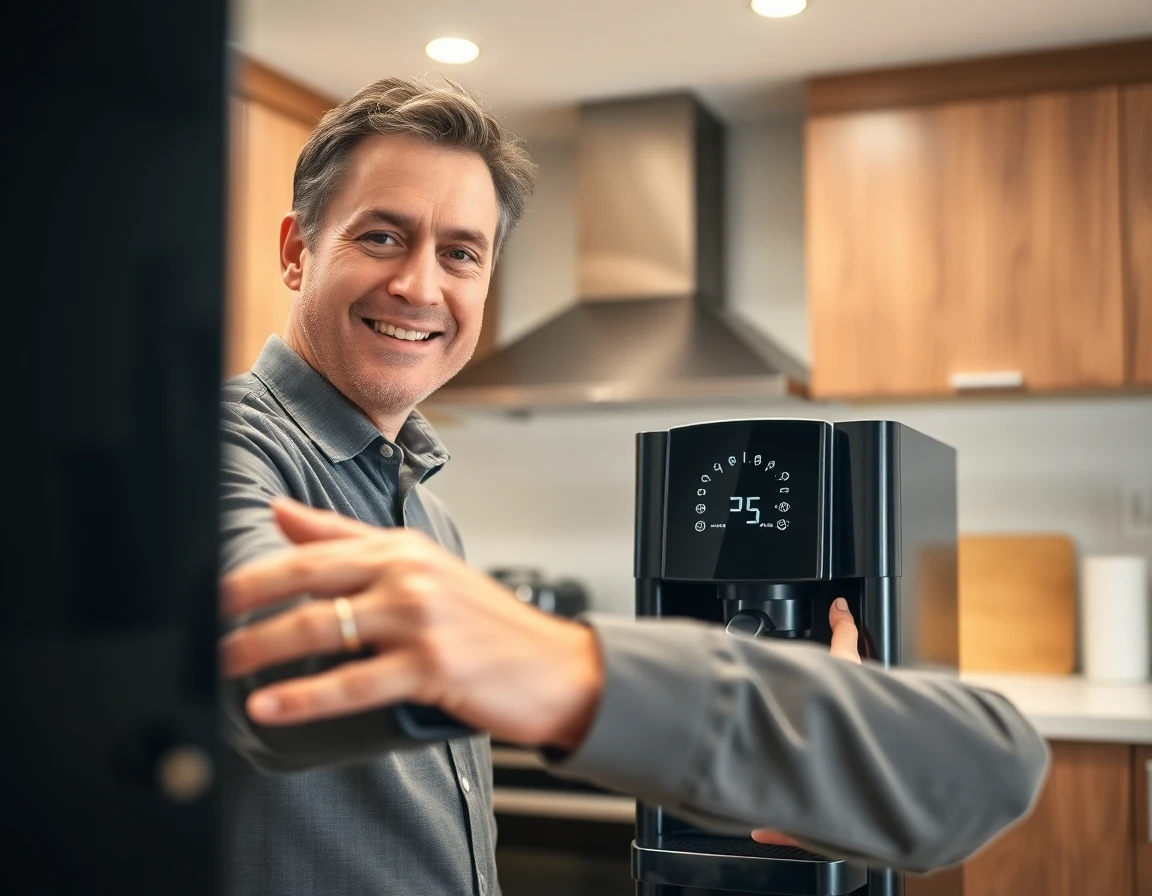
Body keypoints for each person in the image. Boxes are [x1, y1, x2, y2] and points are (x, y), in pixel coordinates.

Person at [217, 76, 1049, 896]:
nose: (421, 287)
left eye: (461, 253)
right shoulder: (218, 452)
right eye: (382, 237)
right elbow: (262, 649)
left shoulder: (425, 510)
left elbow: (989, 772)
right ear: (297, 252)